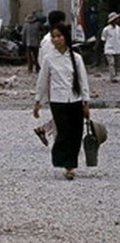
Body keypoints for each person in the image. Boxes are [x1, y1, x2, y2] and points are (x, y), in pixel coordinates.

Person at [33, 22, 91, 180]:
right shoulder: (49, 59)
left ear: (66, 37)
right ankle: (65, 163)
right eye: (53, 37)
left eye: (59, 36)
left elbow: (82, 79)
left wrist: (86, 101)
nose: (56, 39)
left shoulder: (76, 58)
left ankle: (71, 164)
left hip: (75, 99)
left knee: (76, 133)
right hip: (58, 100)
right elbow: (42, 80)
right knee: (64, 132)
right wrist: (38, 101)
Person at [101, 11, 120, 83]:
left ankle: (116, 76)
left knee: (117, 64)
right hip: (109, 48)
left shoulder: (119, 29)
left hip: (118, 48)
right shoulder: (106, 29)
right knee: (111, 63)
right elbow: (104, 39)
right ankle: (113, 77)